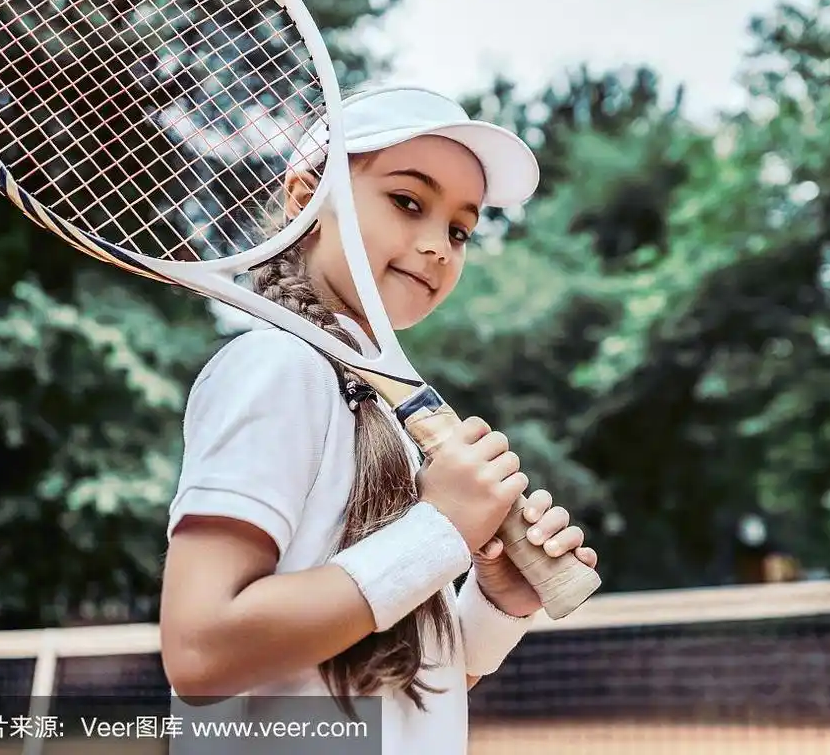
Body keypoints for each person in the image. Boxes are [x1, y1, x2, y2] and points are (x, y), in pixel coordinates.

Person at [158, 85, 599, 754]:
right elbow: (200, 652)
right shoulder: (275, 367)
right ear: (305, 201)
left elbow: (387, 683)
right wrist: (442, 531)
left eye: (458, 229)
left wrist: (494, 601)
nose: (438, 247)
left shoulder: (375, 409)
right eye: (407, 202)